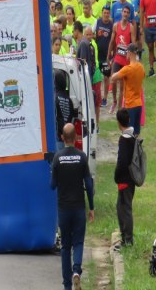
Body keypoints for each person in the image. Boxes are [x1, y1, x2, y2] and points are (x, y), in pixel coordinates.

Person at [51, 123, 95, 290]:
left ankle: (67, 285)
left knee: (65, 246)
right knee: (78, 242)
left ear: (62, 137)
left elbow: (52, 185)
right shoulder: (82, 157)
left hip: (63, 209)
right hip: (78, 208)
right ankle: (76, 270)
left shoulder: (57, 158)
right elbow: (89, 185)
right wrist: (91, 207)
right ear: (76, 137)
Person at [110, 43, 145, 135]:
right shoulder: (141, 67)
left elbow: (113, 77)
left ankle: (129, 149)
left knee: (128, 133)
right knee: (136, 133)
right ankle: (135, 149)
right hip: (139, 104)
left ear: (129, 53)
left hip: (130, 105)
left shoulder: (127, 69)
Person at [113, 108, 136, 248]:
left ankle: (127, 240)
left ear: (119, 122)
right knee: (121, 207)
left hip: (124, 180)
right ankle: (125, 237)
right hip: (131, 179)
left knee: (124, 209)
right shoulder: (133, 136)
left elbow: (122, 162)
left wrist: (116, 176)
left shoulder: (124, 139)